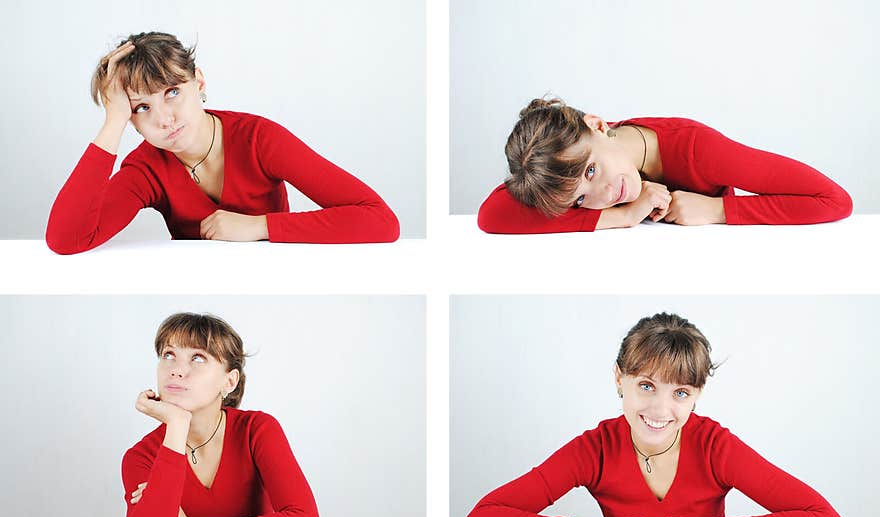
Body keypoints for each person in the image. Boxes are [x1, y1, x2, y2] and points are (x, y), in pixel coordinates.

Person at [460, 312, 846, 517]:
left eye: (680, 391)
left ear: (697, 394)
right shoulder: (595, 448)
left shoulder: (715, 447)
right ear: (619, 379)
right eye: (646, 386)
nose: (661, 410)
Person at [47, 32, 400, 254]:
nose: (164, 118)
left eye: (172, 92)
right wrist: (112, 123)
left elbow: (380, 220)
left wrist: (260, 226)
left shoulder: (259, 139)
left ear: (198, 81)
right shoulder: (146, 168)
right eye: (141, 107)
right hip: (199, 294)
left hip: (281, 286)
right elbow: (67, 239)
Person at [477, 97, 852, 234]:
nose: (605, 194)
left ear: (598, 125)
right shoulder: (601, 188)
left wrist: (719, 209)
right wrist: (622, 217)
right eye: (579, 199)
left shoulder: (698, 151)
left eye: (590, 171)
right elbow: (491, 215)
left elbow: (833, 200)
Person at [122, 312, 320, 517]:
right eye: (169, 355)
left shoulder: (257, 431)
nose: (176, 370)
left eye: (198, 358)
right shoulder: (140, 457)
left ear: (229, 381)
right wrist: (176, 423)